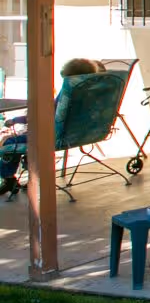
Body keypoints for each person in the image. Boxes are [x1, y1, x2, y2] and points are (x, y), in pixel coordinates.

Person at [0, 59, 104, 199]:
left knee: (9, 142)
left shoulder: (68, 93)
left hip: (53, 137)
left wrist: (17, 120)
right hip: (78, 135)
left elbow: (47, 114)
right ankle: (30, 176)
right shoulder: (91, 92)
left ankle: (8, 178)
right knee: (25, 142)